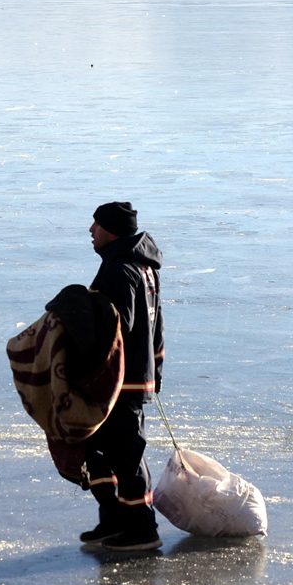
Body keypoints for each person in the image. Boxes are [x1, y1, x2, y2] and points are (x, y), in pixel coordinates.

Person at [81, 201, 165, 552]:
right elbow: (157, 326)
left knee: (126, 455)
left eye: (96, 225)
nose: (90, 231)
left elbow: (114, 329)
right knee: (97, 448)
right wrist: (155, 371)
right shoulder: (143, 268)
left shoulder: (118, 270)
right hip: (136, 377)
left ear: (111, 230)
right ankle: (114, 518)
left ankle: (142, 529)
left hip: (118, 381)